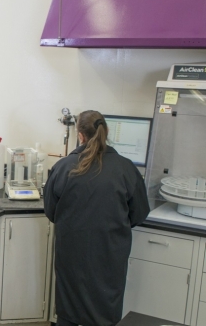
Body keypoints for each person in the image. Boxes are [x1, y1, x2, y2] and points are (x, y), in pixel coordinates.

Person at [44, 110, 150, 326]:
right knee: (105, 311)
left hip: (71, 256)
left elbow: (52, 212)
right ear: (106, 132)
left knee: (69, 310)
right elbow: (138, 214)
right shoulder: (126, 169)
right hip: (109, 255)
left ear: (80, 135)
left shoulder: (63, 167)